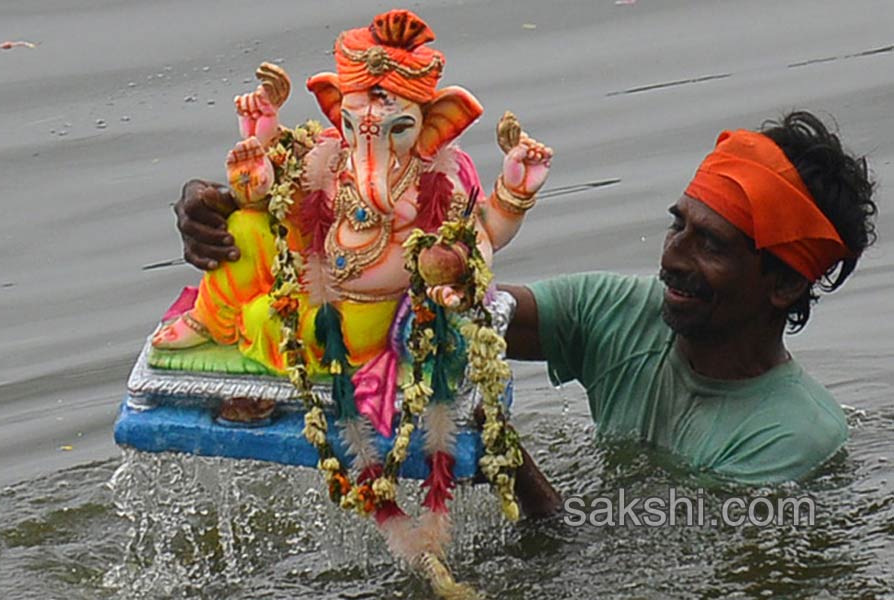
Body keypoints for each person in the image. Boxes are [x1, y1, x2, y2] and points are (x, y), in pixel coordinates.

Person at [173, 111, 877, 516]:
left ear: (783, 285)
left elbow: (629, 572)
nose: (673, 258)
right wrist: (250, 214)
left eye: (711, 244)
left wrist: (506, 462)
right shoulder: (627, 313)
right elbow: (455, 305)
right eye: (678, 226)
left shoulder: (792, 440)